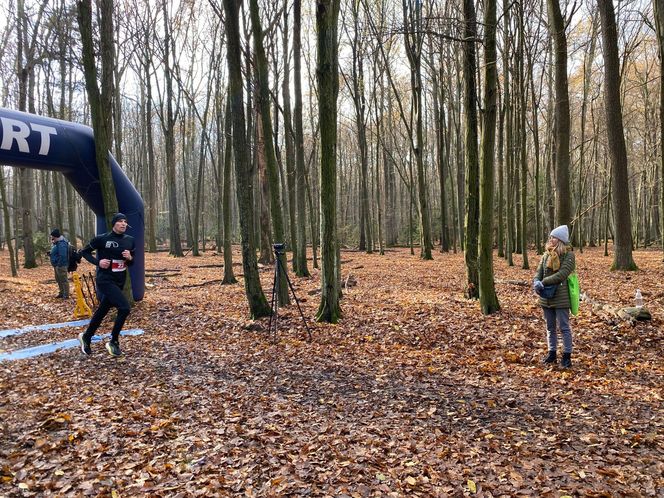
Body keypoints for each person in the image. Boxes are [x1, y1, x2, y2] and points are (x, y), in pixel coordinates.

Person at [78, 213, 135, 357]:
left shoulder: (130, 240)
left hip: (120, 280)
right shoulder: (102, 239)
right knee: (124, 307)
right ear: (114, 224)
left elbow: (131, 262)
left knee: (103, 310)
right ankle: (113, 341)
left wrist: (130, 258)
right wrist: (99, 262)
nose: (123, 224)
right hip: (105, 279)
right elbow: (84, 252)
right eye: (120, 221)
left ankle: (86, 336)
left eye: (125, 222)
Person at [533, 225, 576, 369]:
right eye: (550, 237)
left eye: (553, 237)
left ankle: (567, 356)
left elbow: (562, 274)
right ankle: (552, 353)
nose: (550, 239)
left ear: (561, 240)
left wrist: (543, 282)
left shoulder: (569, 255)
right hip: (545, 296)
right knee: (550, 327)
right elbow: (539, 272)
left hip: (561, 297)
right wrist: (536, 282)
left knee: (564, 327)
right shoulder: (546, 255)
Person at [50, 228, 70, 299]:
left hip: (61, 265)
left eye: (52, 236)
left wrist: (59, 264)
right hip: (57, 265)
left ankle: (66, 295)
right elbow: (57, 253)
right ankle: (61, 293)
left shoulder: (61, 243)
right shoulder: (57, 243)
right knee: (58, 280)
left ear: (55, 236)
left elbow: (63, 255)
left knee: (64, 280)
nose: (51, 238)